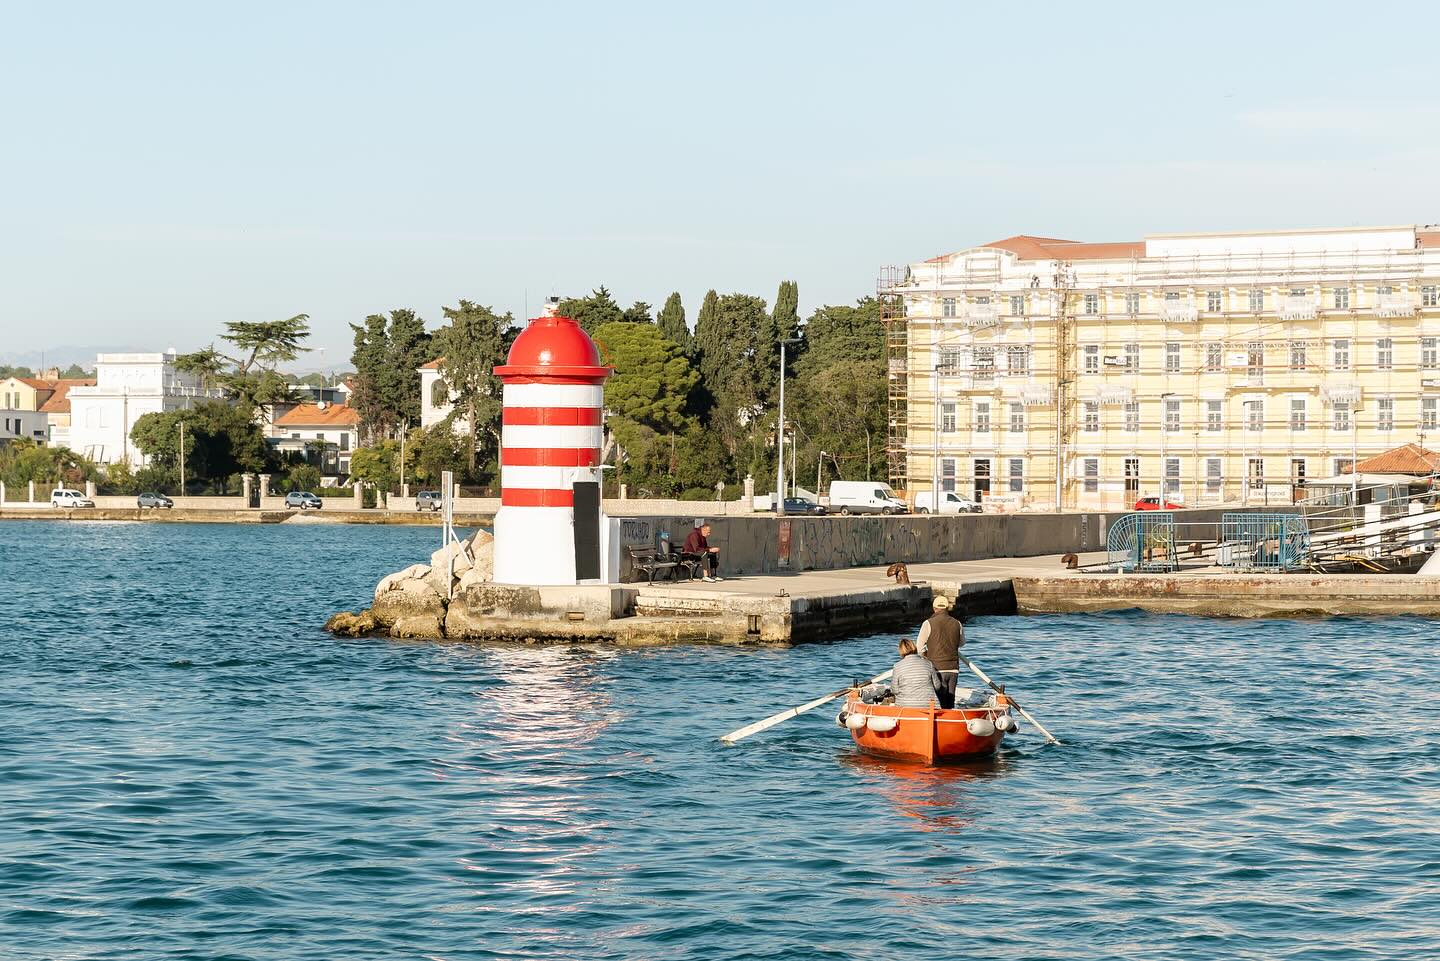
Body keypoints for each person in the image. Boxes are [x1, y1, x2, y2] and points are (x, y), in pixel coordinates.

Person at [916, 595, 964, 709]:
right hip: (953, 668)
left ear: (934, 608)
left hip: (936, 667)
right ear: (947, 608)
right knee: (950, 701)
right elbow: (962, 643)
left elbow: (919, 646)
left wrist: (926, 655)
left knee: (938, 702)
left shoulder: (928, 623)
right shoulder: (957, 623)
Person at [891, 637, 942, 708]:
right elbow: (937, 686)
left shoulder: (897, 666)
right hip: (929, 706)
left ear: (901, 651)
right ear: (914, 647)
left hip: (905, 706)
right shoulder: (928, 663)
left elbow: (895, 690)